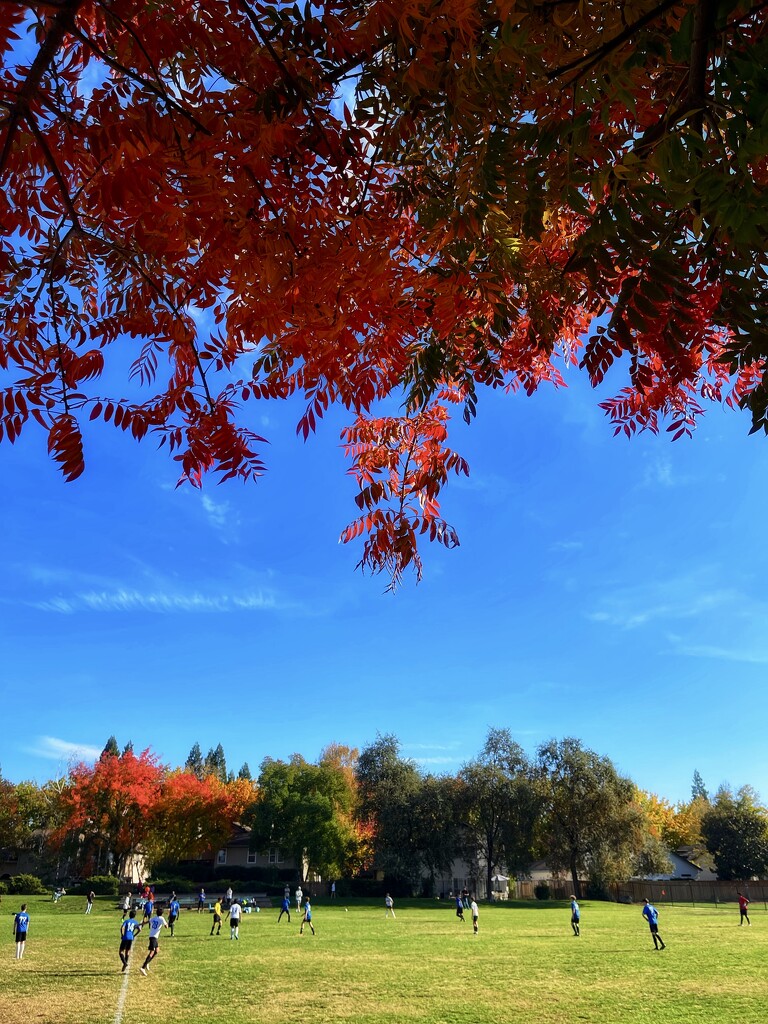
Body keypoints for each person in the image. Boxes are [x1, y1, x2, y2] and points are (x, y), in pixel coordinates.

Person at [140, 905, 168, 975]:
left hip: (152, 936)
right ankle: (143, 967)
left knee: (157, 950)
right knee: (152, 952)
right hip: (154, 937)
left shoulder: (154, 918)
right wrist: (166, 924)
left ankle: (147, 963)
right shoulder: (162, 918)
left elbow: (147, 922)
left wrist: (141, 924)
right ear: (162, 913)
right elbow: (166, 926)